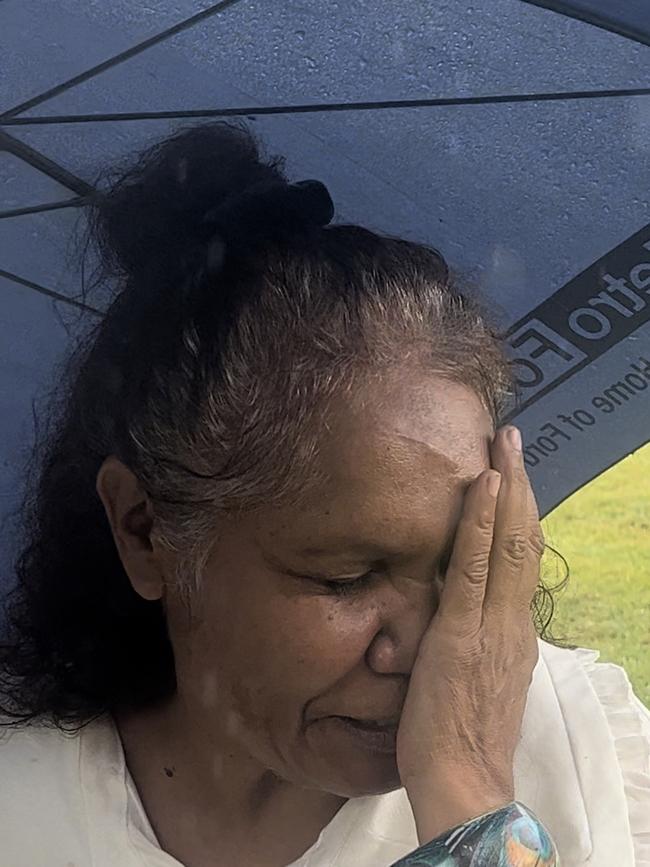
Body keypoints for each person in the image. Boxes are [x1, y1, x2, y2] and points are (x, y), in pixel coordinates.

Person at [0, 120, 648, 867]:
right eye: (347, 576)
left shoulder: (585, 751)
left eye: (462, 561)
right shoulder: (25, 801)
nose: (420, 649)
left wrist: (467, 792)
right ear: (147, 532)